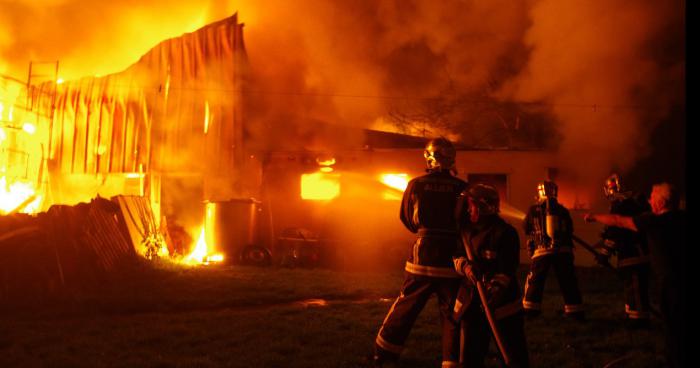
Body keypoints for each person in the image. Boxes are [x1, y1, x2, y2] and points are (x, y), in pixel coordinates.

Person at [373, 137, 468, 368]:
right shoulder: (462, 188)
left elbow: (406, 217)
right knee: (453, 315)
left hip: (422, 259)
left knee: (405, 307)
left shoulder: (416, 184)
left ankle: (384, 354)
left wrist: (425, 231)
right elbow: (467, 222)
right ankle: (451, 361)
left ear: (429, 157)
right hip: (451, 262)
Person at [585, 182, 685, 367]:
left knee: (672, 327)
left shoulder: (654, 221)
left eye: (652, 198)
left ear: (661, 203)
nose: (649, 201)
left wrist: (593, 217)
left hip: (669, 282)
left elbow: (618, 221)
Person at [452, 184, 529, 368]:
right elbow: (456, 255)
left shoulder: (505, 233)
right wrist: (465, 267)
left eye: (470, 206)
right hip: (470, 303)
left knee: (513, 355)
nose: (468, 210)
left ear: (480, 207)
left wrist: (494, 290)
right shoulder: (465, 230)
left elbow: (507, 269)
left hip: (502, 306)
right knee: (470, 357)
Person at [522, 181, 585, 320]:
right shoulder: (563, 210)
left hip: (542, 251)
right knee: (568, 280)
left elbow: (526, 227)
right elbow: (570, 229)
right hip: (564, 251)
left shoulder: (533, 210)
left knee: (535, 281)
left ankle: (530, 310)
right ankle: (575, 311)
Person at [599, 174, 652, 327]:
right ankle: (633, 315)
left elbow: (614, 231)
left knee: (635, 287)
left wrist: (604, 253)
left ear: (611, 189)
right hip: (639, 252)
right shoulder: (633, 204)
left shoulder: (619, 205)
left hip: (632, 253)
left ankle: (639, 320)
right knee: (634, 287)